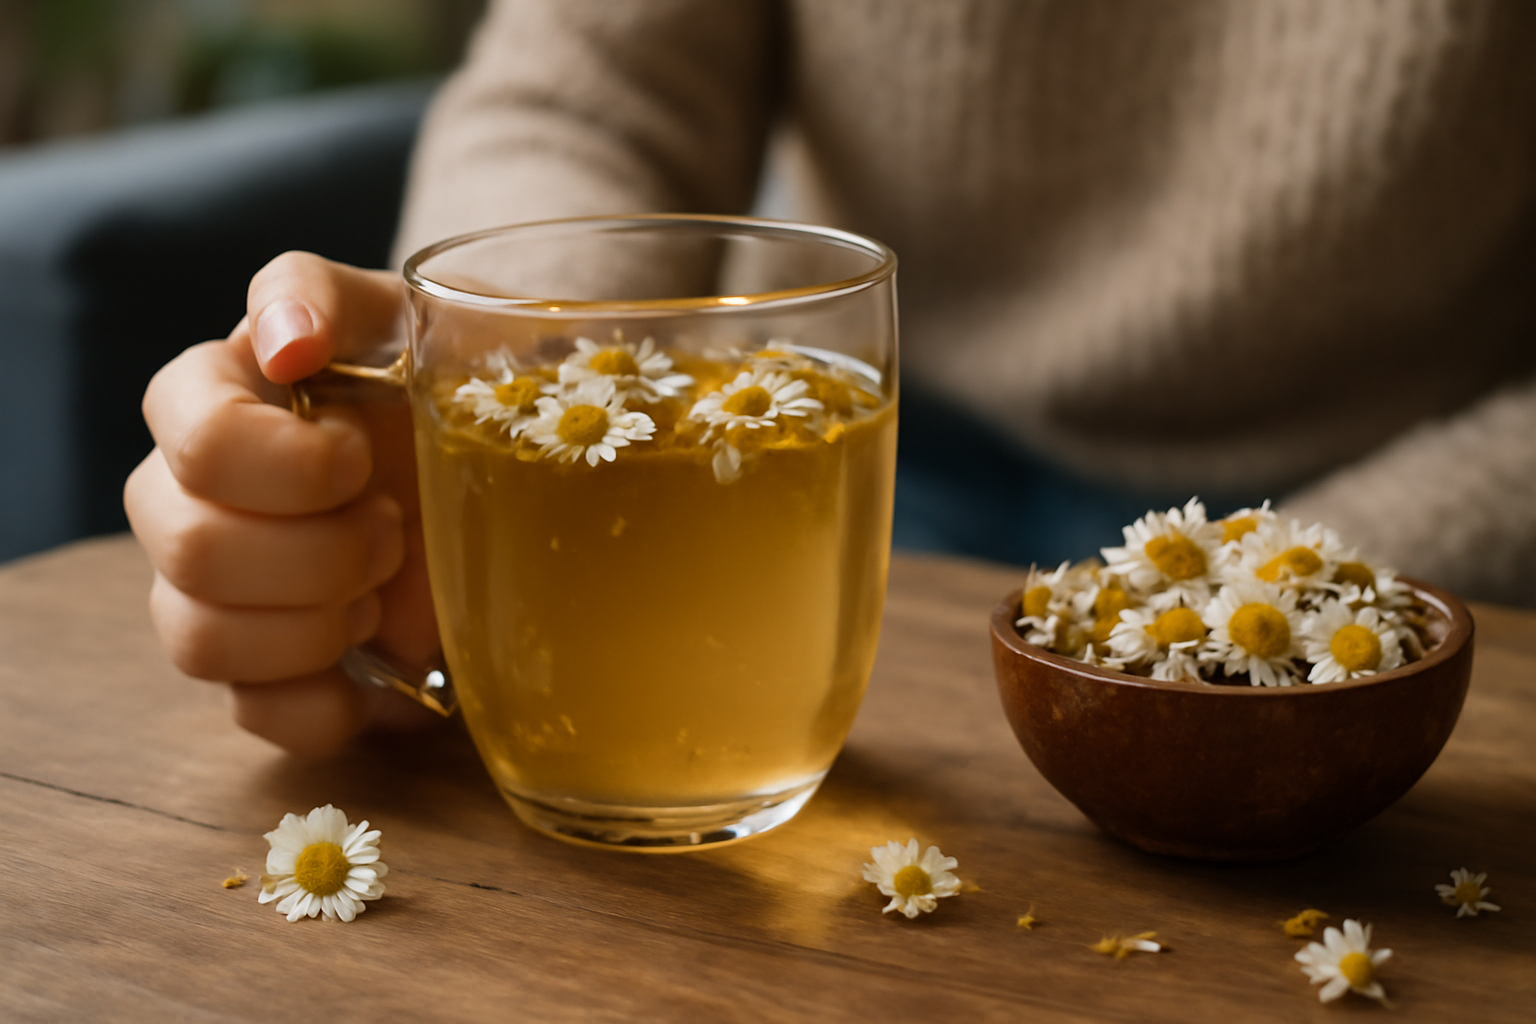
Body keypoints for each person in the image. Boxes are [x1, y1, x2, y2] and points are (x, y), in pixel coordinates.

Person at [125, 0, 1536, 756]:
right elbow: (580, 91)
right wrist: (521, 387)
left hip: (1425, 557)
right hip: (835, 493)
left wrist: (1304, 600)